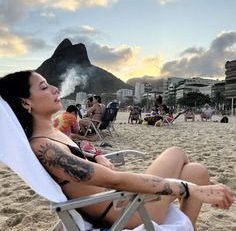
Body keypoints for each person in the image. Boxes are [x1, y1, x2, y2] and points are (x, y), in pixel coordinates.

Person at [0, 70, 233, 230]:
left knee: (197, 171)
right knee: (176, 154)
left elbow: (81, 159)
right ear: (25, 102)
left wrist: (97, 157)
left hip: (121, 201)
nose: (54, 88)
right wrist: (184, 188)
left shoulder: (52, 133)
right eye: (44, 87)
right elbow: (116, 180)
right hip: (124, 210)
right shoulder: (44, 146)